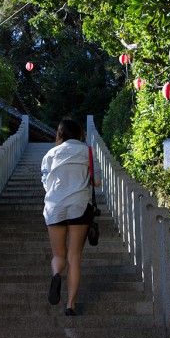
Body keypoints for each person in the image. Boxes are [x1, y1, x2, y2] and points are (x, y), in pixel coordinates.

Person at [41, 118, 100, 316]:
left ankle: (57, 274)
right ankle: (70, 305)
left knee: (59, 255)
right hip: (79, 206)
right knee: (74, 257)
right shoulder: (87, 151)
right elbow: (97, 181)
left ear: (60, 134)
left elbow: (45, 183)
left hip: (55, 206)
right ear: (79, 134)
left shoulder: (50, 154)